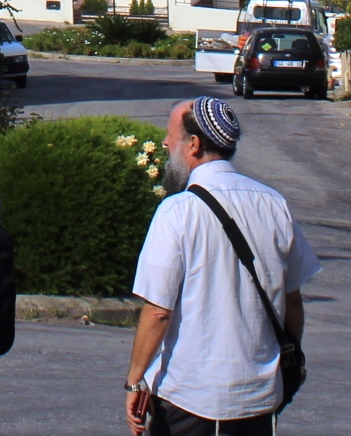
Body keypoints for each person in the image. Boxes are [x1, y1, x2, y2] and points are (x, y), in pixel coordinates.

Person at [124, 96, 321, 436]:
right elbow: (292, 301)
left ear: (194, 144)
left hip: (192, 399)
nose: (166, 142)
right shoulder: (274, 203)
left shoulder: (177, 211)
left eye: (171, 135)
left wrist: (134, 380)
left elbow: (158, 313)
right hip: (259, 400)